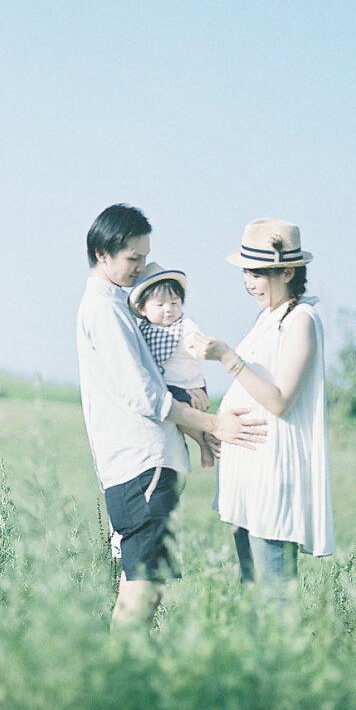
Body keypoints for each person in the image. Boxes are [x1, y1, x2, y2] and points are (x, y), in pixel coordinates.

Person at [76, 203, 266, 628]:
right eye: (133, 259)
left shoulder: (117, 307)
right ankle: (123, 683)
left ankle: (126, 679)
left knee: (144, 583)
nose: (141, 268)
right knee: (143, 587)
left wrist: (195, 432)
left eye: (144, 257)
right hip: (141, 466)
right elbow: (147, 397)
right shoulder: (105, 311)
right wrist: (215, 425)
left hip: (145, 466)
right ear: (102, 254)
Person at [195, 217, 334, 595]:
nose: (249, 282)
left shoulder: (301, 319)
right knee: (253, 588)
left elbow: (280, 400)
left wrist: (226, 356)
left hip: (274, 473)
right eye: (246, 272)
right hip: (250, 469)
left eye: (258, 273)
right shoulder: (268, 317)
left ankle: (283, 655)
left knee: (274, 593)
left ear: (288, 271)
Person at [129, 262, 217, 469]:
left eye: (175, 303)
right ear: (142, 309)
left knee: (183, 416)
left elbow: (194, 342)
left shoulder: (185, 326)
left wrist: (200, 349)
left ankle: (203, 442)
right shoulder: (144, 331)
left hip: (186, 385)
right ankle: (203, 440)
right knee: (178, 419)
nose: (169, 310)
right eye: (160, 305)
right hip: (165, 387)